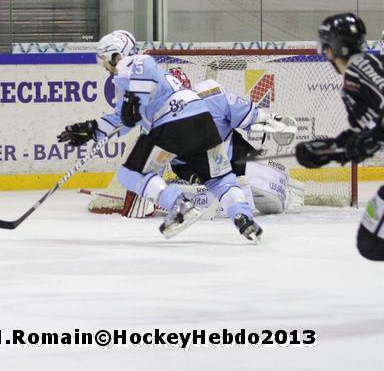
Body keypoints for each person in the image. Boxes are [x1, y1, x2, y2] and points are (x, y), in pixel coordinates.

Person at [58, 30, 262, 241]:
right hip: (202, 121)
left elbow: (143, 66)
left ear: (116, 55)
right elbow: (122, 121)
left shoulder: (134, 64)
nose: (103, 65)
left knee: (129, 174)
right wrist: (90, 130)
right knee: (220, 180)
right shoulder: (127, 83)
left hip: (174, 121)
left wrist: (134, 99)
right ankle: (244, 219)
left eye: (103, 59)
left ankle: (180, 206)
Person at [295, 13, 384, 261]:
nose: (325, 53)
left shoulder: (359, 69)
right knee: (371, 242)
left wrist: (373, 137)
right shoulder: (360, 73)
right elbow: (363, 136)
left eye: (326, 46)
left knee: (371, 243)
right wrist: (329, 150)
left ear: (334, 47)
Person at [166, 68, 297, 217]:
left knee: (265, 179)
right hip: (202, 169)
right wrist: (192, 177)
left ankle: (289, 188)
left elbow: (244, 113)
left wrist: (266, 118)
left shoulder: (211, 96)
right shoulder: (159, 121)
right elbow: (176, 162)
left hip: (234, 155)